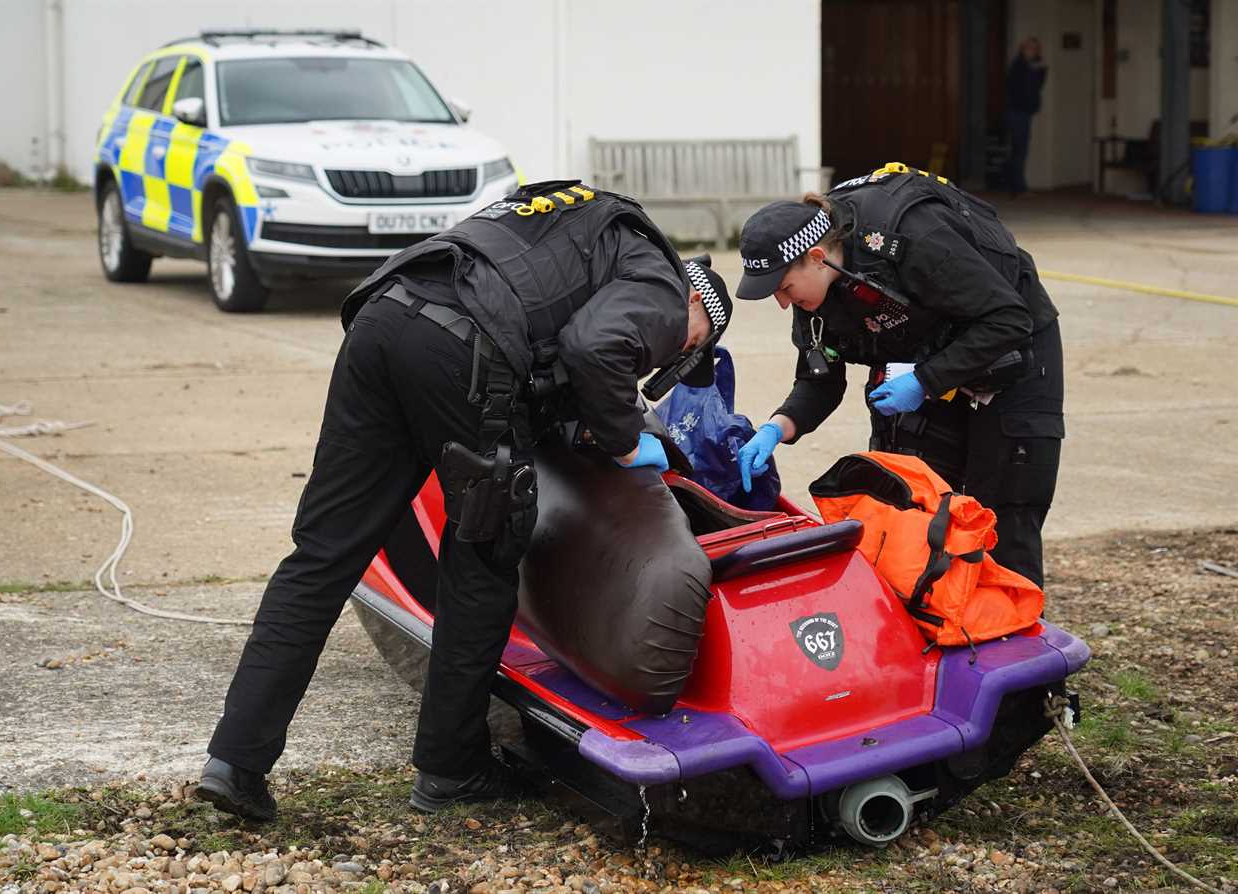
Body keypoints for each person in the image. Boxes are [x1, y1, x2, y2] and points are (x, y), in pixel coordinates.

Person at [196, 180, 729, 820]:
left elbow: (545, 320)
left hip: (384, 314)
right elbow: (594, 350)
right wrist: (625, 442)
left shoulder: (581, 217)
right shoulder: (668, 288)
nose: (669, 351)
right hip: (462, 349)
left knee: (323, 553)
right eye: (685, 347)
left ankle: (235, 761)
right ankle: (451, 770)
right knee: (483, 562)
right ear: (697, 322)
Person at [732, 163, 1063, 589]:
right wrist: (776, 429)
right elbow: (820, 380)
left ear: (816, 258)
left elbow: (1005, 319)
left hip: (1011, 348)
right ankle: (936, 629)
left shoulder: (911, 237)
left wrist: (925, 381)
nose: (782, 303)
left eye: (784, 288)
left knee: (1002, 514)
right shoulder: (814, 294)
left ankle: (1014, 641)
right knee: (912, 506)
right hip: (926, 359)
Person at [1005, 37, 1047, 197]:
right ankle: (1017, 187)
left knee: (1021, 149)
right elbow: (1021, 89)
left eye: (1036, 49)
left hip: (1025, 112)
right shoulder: (1019, 67)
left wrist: (1041, 69)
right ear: (1023, 49)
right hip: (1017, 112)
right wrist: (1035, 70)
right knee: (1019, 149)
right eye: (1031, 49)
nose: (1034, 52)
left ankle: (1018, 186)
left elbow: (1038, 85)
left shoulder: (1032, 67)